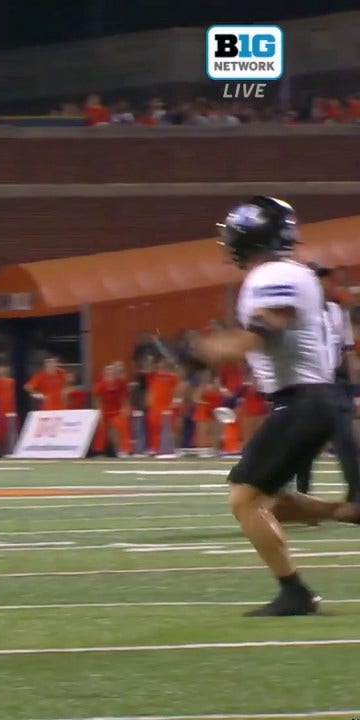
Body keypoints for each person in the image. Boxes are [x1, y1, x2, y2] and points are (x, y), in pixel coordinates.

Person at [185, 196, 360, 616]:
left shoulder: (275, 274)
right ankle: (346, 512)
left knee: (244, 499)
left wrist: (210, 350)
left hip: (304, 400)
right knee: (272, 502)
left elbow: (267, 328)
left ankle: (295, 592)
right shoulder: (287, 272)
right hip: (313, 399)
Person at [291, 263, 360, 499]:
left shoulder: (337, 312)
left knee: (346, 441)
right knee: (304, 444)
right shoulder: (296, 312)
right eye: (319, 279)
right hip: (306, 384)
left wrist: (355, 389)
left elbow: (348, 352)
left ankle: (355, 496)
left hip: (334, 384)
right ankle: (303, 494)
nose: (324, 284)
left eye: (325, 280)